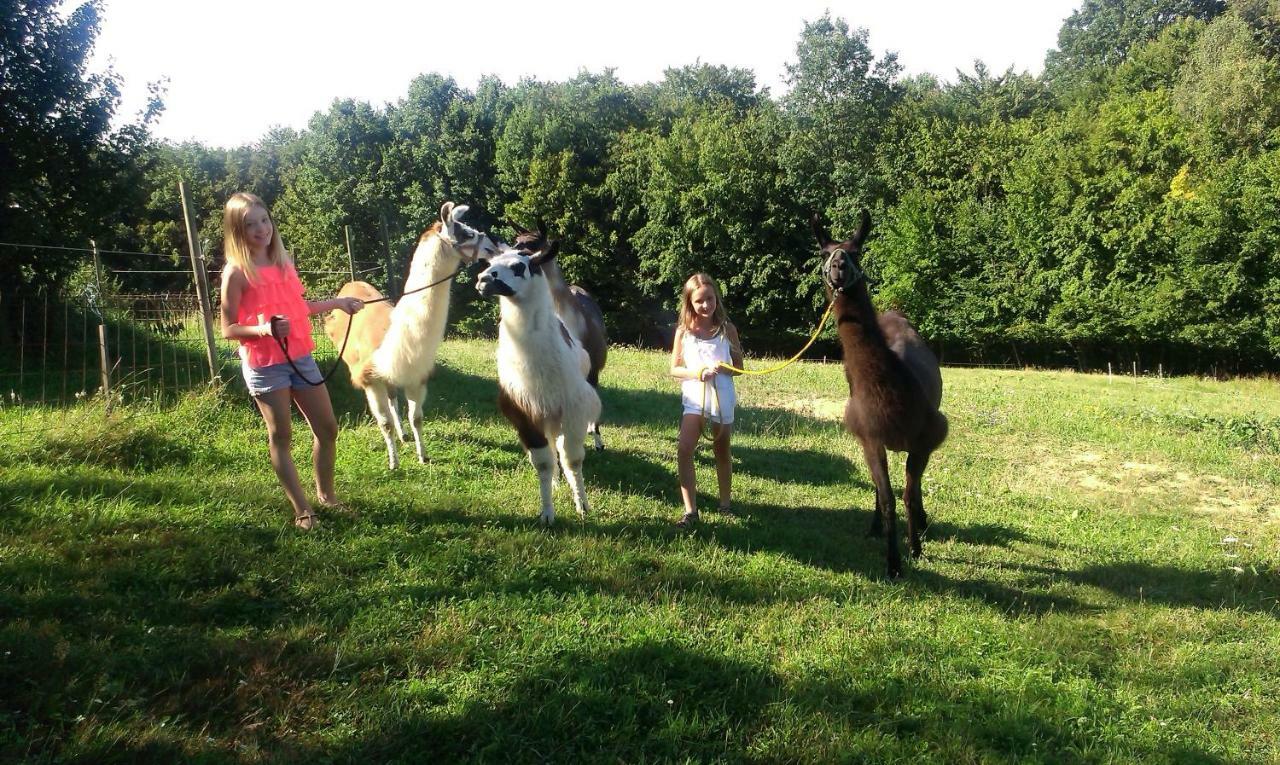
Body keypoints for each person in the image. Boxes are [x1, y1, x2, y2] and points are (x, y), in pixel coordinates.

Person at [218, 192, 364, 530]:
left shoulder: (282, 262)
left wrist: (339, 302)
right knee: (281, 435)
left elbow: (299, 308)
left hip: (300, 356)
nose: (261, 229)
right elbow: (227, 329)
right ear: (236, 231)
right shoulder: (236, 272)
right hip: (265, 364)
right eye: (250, 224)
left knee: (327, 429)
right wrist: (264, 329)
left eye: (264, 220)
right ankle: (303, 510)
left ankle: (326, 496)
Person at [669, 273, 743, 528]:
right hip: (694, 397)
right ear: (690, 302)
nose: (706, 305)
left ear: (716, 298)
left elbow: (739, 367)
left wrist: (726, 368)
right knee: (684, 448)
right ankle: (691, 511)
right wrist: (697, 372)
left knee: (722, 450)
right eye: (699, 301)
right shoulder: (683, 333)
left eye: (709, 299)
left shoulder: (727, 330)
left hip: (722, 397)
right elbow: (674, 369)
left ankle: (725, 505)